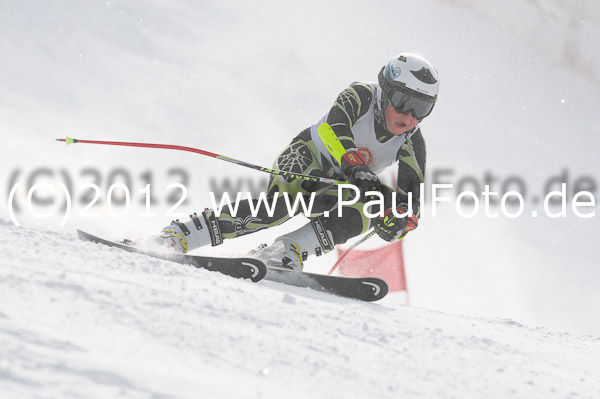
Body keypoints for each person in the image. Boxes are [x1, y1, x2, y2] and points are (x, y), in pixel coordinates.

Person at [160, 53, 439, 270]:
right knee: (281, 208)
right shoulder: (361, 95)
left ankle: (286, 250)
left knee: (377, 203)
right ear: (387, 90)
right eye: (404, 101)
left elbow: (410, 204)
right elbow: (334, 127)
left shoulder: (412, 142)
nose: (411, 115)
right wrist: (355, 166)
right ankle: (182, 233)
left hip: (344, 182)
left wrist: (398, 223)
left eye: (422, 107)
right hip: (307, 157)